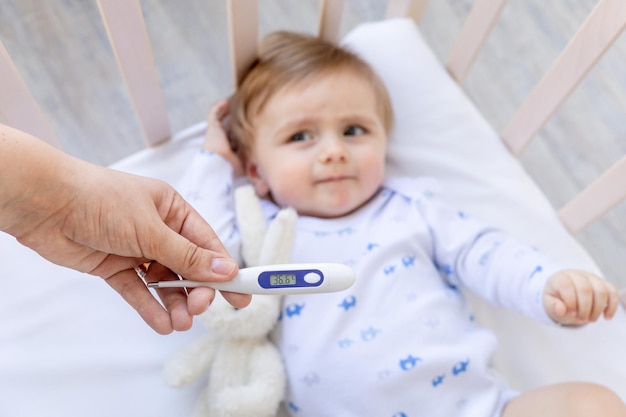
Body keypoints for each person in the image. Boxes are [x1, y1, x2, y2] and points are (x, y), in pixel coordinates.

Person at [179, 31, 626, 416]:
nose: (333, 150)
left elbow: (485, 254)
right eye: (301, 136)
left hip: (477, 408)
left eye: (354, 130)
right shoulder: (268, 234)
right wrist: (214, 160)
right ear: (255, 172)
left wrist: (548, 287)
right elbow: (204, 249)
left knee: (591, 405)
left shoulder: (412, 207)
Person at [0, 123, 250, 335]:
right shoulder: (247, 219)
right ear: (255, 173)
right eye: (290, 139)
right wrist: (216, 158)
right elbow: (210, 204)